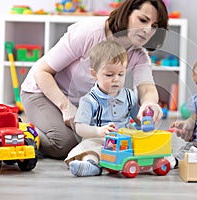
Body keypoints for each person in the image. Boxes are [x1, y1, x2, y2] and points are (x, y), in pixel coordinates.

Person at [20, 0, 168, 159]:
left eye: (154, 26)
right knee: (64, 144)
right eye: (143, 20)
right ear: (127, 14)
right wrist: (65, 107)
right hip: (42, 92)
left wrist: (149, 103)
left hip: (81, 102)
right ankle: (23, 133)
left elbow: (146, 88)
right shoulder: (90, 32)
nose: (147, 30)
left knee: (98, 139)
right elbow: (41, 72)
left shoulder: (139, 54)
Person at [64, 40, 140, 177]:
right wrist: (98, 131)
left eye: (121, 74)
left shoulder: (129, 96)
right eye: (109, 75)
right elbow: (80, 128)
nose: (116, 79)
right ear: (94, 74)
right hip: (101, 139)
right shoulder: (89, 100)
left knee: (143, 146)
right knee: (90, 149)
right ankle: (90, 165)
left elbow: (138, 118)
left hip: (126, 140)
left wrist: (146, 120)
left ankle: (166, 160)